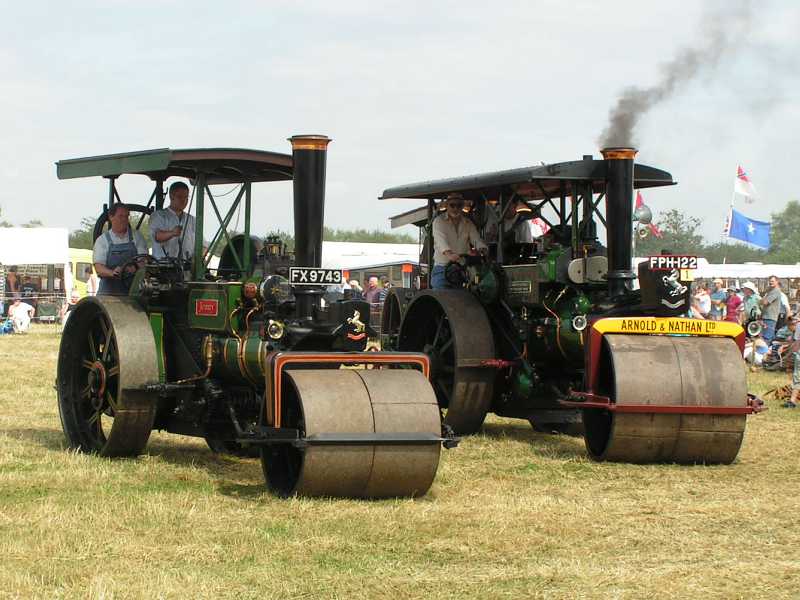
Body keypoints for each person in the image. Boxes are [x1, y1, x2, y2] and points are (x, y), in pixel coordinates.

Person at [431, 192, 487, 289]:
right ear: (446, 206)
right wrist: (449, 254)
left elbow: (475, 239)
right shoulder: (439, 222)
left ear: (462, 206)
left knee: (472, 291)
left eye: (459, 205)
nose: (455, 208)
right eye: (452, 205)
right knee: (441, 293)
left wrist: (482, 249)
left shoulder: (468, 223)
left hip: (462, 269)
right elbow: (440, 240)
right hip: (443, 268)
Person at [93, 204, 148, 295]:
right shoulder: (102, 240)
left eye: (126, 216)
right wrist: (113, 273)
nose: (124, 220)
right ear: (111, 217)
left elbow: (144, 259)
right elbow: (99, 268)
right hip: (108, 293)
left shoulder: (137, 236)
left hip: (133, 292)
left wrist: (135, 267)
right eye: (120, 216)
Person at [149, 181, 196, 261]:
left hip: (186, 266)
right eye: (180, 197)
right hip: (163, 266)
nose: (184, 200)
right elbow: (157, 236)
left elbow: (201, 243)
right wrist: (172, 233)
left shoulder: (192, 220)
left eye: (186, 197)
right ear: (171, 196)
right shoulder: (159, 216)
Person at [761, 275, 783, 343]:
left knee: (766, 338)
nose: (770, 283)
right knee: (768, 337)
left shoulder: (776, 291)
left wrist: (763, 298)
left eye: (772, 281)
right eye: (770, 281)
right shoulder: (771, 291)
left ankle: (764, 352)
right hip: (767, 317)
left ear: (777, 281)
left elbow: (765, 302)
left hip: (770, 318)